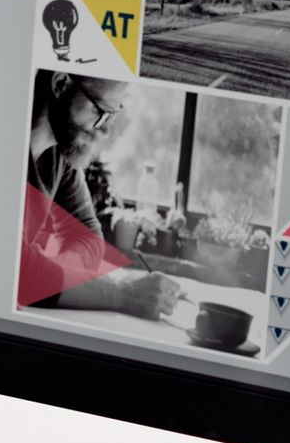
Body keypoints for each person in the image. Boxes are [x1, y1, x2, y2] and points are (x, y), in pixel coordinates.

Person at [24, 70, 181, 318]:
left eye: (113, 115)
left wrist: (49, 275)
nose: (106, 130)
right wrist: (124, 293)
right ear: (61, 84)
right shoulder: (0, 145)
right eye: (100, 112)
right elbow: (16, 272)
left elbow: (87, 234)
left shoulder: (61, 155)